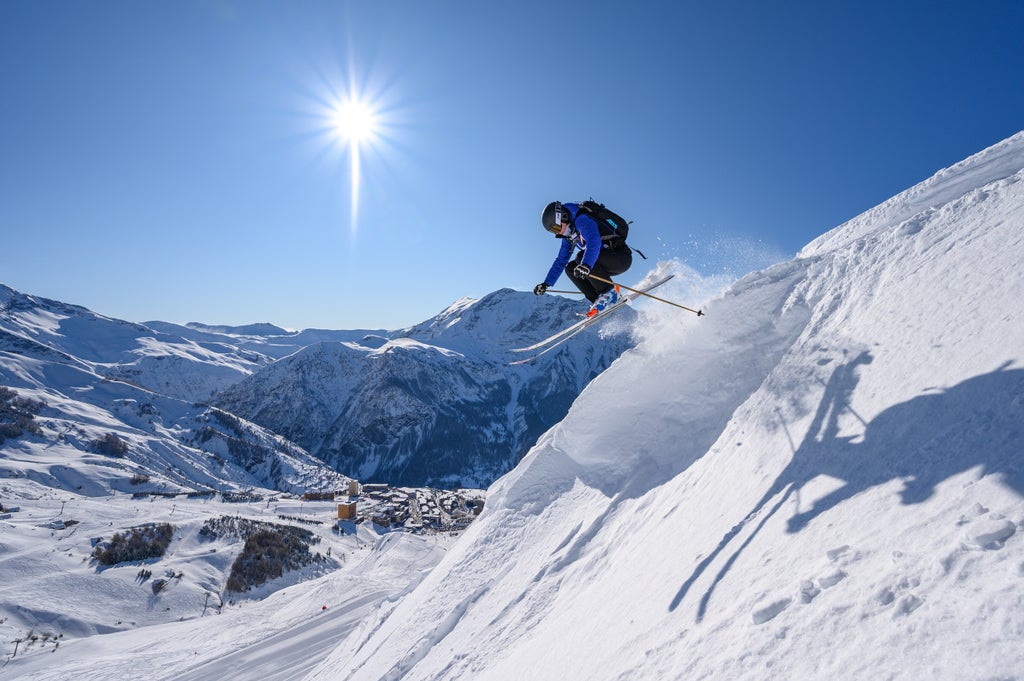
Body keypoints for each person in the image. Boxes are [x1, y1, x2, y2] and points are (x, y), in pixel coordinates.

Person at [533, 200, 632, 316]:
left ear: (563, 216)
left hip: (620, 257)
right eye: (553, 231)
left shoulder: (582, 220)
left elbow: (593, 242)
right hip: (602, 263)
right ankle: (599, 299)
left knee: (580, 257)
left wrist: (586, 265)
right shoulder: (569, 236)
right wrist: (546, 283)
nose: (558, 232)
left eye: (557, 227)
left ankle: (609, 293)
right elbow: (561, 260)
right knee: (570, 268)